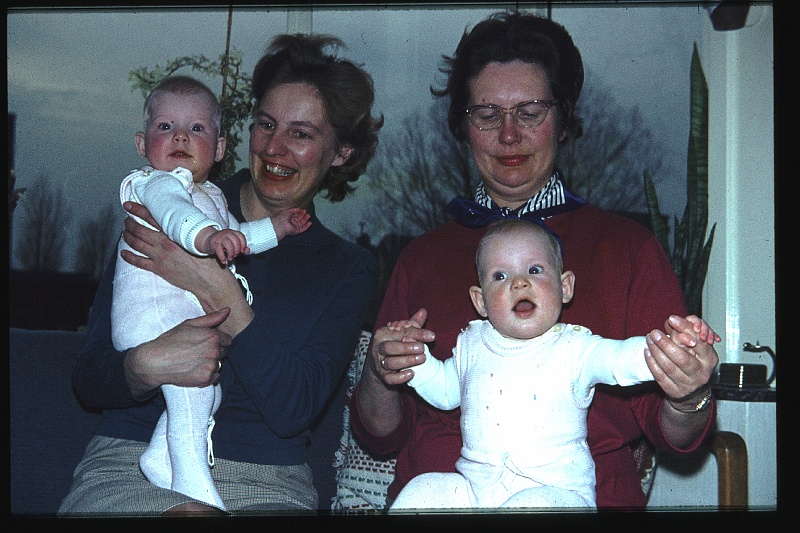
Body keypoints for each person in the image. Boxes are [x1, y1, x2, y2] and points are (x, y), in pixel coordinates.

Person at [349, 10, 719, 510]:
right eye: (486, 114)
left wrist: (687, 393)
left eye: (530, 112)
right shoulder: (421, 257)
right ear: (463, 126)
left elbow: (678, 434)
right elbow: (380, 435)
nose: (508, 135)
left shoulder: (627, 249)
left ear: (563, 120)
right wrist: (380, 371)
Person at [59, 33, 382, 516]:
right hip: (130, 465)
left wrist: (217, 290)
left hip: (267, 486)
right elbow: (89, 379)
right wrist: (143, 365)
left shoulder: (347, 268)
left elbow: (294, 410)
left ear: (341, 152)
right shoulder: (168, 206)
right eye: (266, 125)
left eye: (301, 133)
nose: (274, 148)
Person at [386, 220, 719, 510]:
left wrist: (672, 349)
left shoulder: (576, 347)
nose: (519, 283)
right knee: (423, 491)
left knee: (529, 508)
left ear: (565, 287)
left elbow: (620, 359)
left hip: (557, 496)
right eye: (500, 275)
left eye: (534, 270)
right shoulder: (471, 343)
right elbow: (445, 391)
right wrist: (415, 359)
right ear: (480, 301)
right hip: (477, 491)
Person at [112, 75, 311, 510]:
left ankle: (160, 455)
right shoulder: (155, 184)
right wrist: (205, 240)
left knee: (209, 392)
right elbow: (176, 216)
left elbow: (235, 236)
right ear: (143, 145)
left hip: (176, 317)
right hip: (151, 319)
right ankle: (191, 482)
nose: (180, 135)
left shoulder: (211, 196)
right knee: (196, 391)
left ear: (220, 149)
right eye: (165, 127)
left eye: (197, 128)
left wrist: (275, 229)